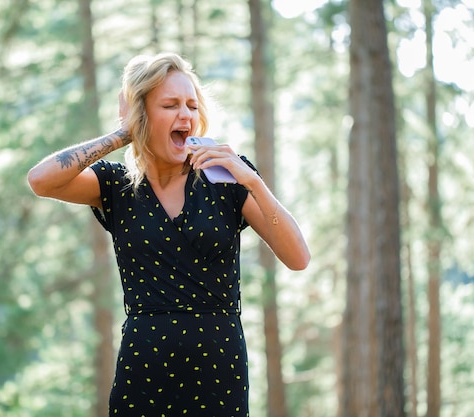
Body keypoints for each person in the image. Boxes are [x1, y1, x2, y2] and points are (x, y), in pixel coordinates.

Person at [27, 52, 310, 417]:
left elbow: (298, 257)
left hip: (217, 369)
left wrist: (252, 180)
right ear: (142, 115)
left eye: (192, 105)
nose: (186, 115)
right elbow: (40, 180)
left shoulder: (226, 178)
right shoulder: (116, 185)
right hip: (143, 369)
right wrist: (122, 134)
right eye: (170, 105)